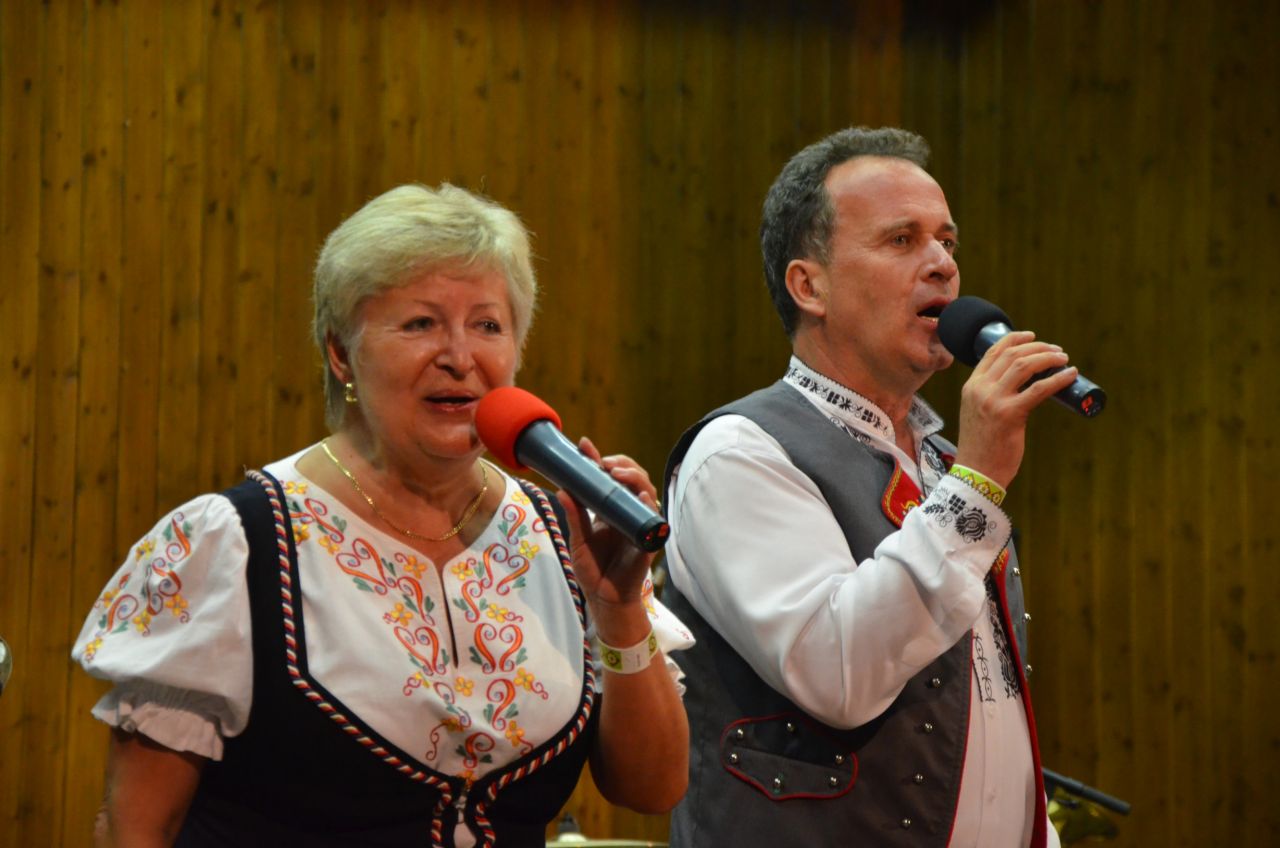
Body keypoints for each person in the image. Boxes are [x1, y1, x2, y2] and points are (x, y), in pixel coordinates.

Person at [72, 183, 692, 847]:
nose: (461, 357)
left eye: (488, 325)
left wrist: (619, 610)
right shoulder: (233, 542)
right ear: (341, 352)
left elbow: (651, 790)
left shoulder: (565, 534)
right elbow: (136, 827)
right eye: (421, 324)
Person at [662, 127, 1071, 847]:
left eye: (947, 240)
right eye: (902, 240)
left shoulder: (946, 464)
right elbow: (837, 675)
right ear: (809, 286)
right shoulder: (738, 453)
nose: (943, 265)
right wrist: (977, 485)